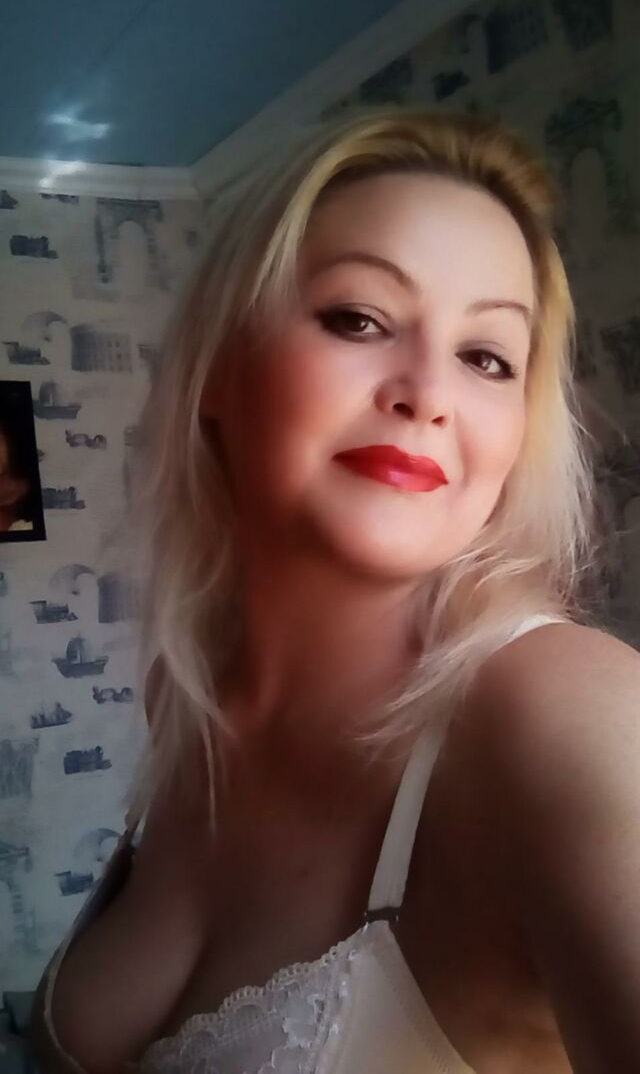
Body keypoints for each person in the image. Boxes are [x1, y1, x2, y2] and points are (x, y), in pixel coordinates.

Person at [28, 107, 640, 1072]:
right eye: (359, 318)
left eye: (486, 357)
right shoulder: (183, 693)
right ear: (220, 367)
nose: (427, 392)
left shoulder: (562, 709)